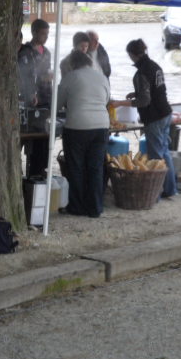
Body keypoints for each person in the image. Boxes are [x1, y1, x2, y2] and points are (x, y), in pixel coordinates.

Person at [114, 39, 176, 199]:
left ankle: (156, 192)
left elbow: (144, 101)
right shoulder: (155, 66)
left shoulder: (141, 72)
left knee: (156, 156)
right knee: (164, 153)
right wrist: (136, 92)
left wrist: (120, 103)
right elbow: (155, 89)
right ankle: (170, 188)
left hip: (154, 117)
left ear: (132, 54)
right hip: (166, 112)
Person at [55, 49, 110, 217]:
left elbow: (57, 104)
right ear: (89, 62)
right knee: (96, 168)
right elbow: (106, 99)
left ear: (73, 64)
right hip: (101, 126)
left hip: (77, 126)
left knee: (76, 167)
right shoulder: (101, 77)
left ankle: (77, 206)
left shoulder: (70, 77)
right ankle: (95, 207)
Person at [17, 18, 53, 178]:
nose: (46, 37)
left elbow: (46, 71)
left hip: (46, 98)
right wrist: (31, 93)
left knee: (45, 139)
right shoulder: (25, 52)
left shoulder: (47, 53)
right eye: (43, 33)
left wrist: (48, 77)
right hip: (32, 102)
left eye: (47, 34)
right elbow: (24, 78)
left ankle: (41, 171)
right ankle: (31, 173)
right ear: (34, 33)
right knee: (32, 140)